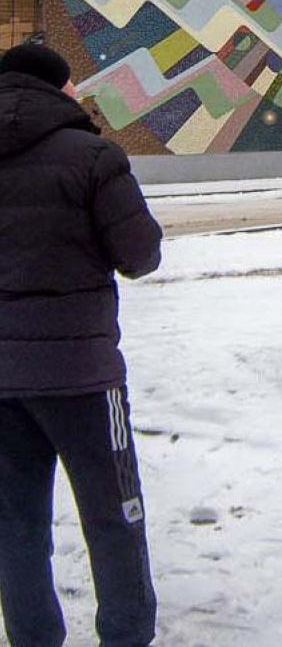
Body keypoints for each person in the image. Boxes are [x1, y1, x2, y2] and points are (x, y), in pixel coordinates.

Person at [0, 43, 162, 647]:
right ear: (59, 88)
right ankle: (124, 635)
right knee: (114, 515)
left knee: (15, 526)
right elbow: (140, 254)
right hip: (84, 378)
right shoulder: (93, 155)